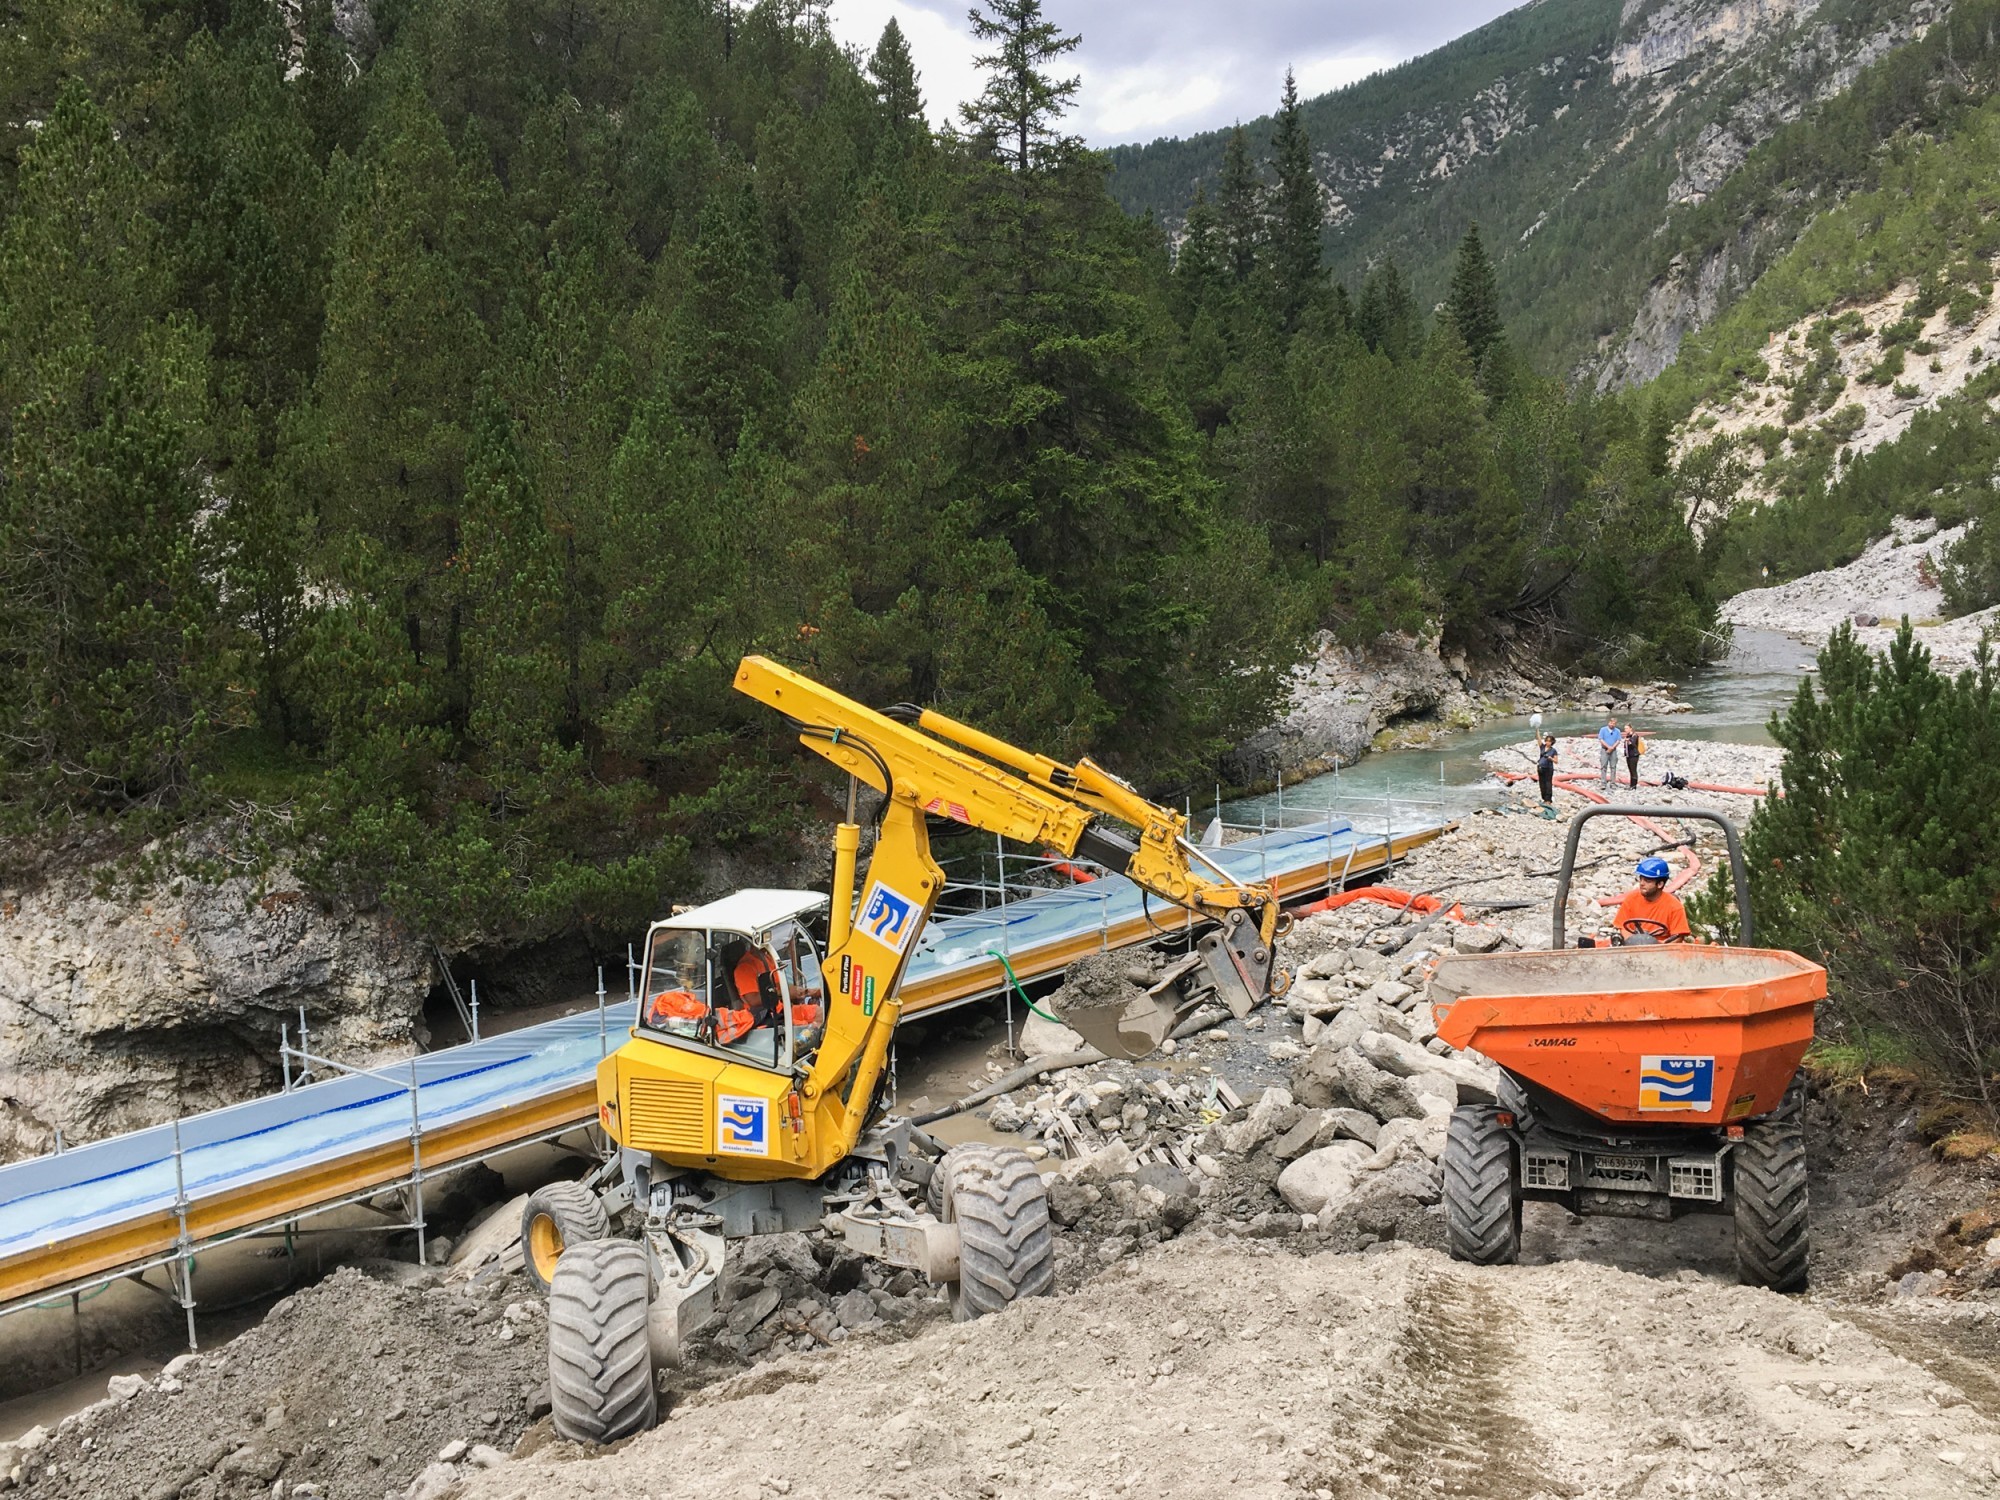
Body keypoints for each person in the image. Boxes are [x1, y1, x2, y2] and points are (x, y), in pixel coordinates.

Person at [1612, 856, 1692, 943]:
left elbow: (1678, 936)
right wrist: (1632, 942)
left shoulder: (1674, 906)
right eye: (1641, 879)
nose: (1642, 883)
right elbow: (1622, 927)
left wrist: (1659, 947)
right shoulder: (1631, 899)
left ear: (1660, 884)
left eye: (1647, 880)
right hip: (1633, 945)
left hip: (1662, 949)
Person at [1535, 733, 1558, 817]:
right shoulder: (1542, 747)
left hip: (1548, 769)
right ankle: (1544, 798)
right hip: (1540, 768)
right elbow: (1539, 740)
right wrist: (1537, 730)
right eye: (1547, 741)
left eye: (1549, 741)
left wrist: (1551, 758)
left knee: (1548, 783)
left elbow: (1556, 761)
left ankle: (1548, 799)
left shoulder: (1553, 750)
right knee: (1541, 783)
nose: (1548, 742)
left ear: (1552, 742)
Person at [1596, 715, 1621, 791]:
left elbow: (1618, 740)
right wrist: (1608, 747)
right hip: (1604, 750)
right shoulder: (1603, 730)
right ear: (1608, 722)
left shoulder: (1617, 731)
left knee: (1613, 767)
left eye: (1614, 723)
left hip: (1613, 750)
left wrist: (1612, 747)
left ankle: (1612, 783)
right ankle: (1603, 783)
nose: (1612, 724)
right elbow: (1601, 739)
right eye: (1611, 723)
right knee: (1603, 766)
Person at [1622, 722, 1642, 789]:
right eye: (1625, 728)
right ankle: (1631, 784)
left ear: (1631, 728)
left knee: (1633, 770)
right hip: (1628, 755)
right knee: (1630, 769)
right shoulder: (1627, 736)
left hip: (1634, 755)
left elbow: (1633, 744)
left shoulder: (1634, 735)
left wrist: (1628, 741)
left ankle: (1634, 785)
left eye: (1627, 728)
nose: (1625, 730)